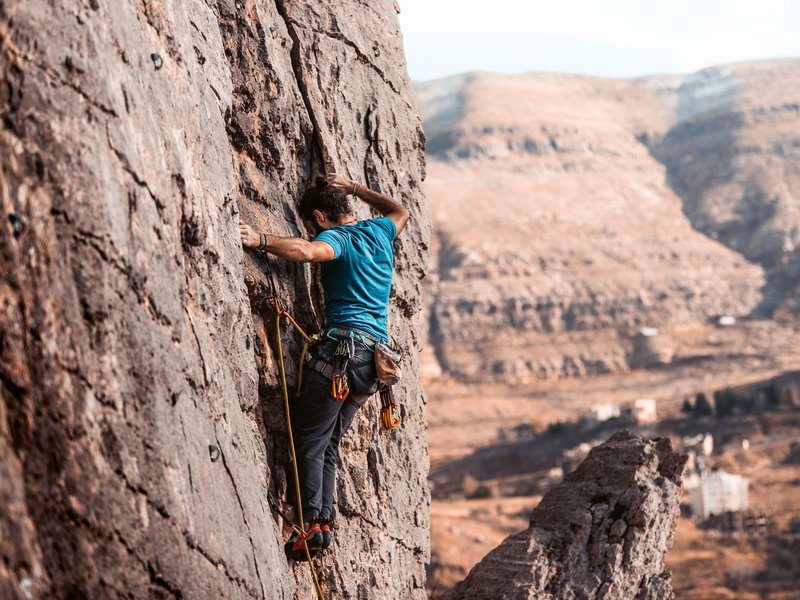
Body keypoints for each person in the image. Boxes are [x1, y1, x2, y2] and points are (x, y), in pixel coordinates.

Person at [239, 174, 409, 560]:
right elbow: (401, 210)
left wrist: (260, 240)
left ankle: (311, 526)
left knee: (310, 440)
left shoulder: (339, 239)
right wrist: (353, 187)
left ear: (319, 216)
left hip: (341, 358)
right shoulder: (380, 231)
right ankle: (322, 524)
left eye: (312, 226)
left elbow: (307, 252)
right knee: (328, 443)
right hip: (372, 367)